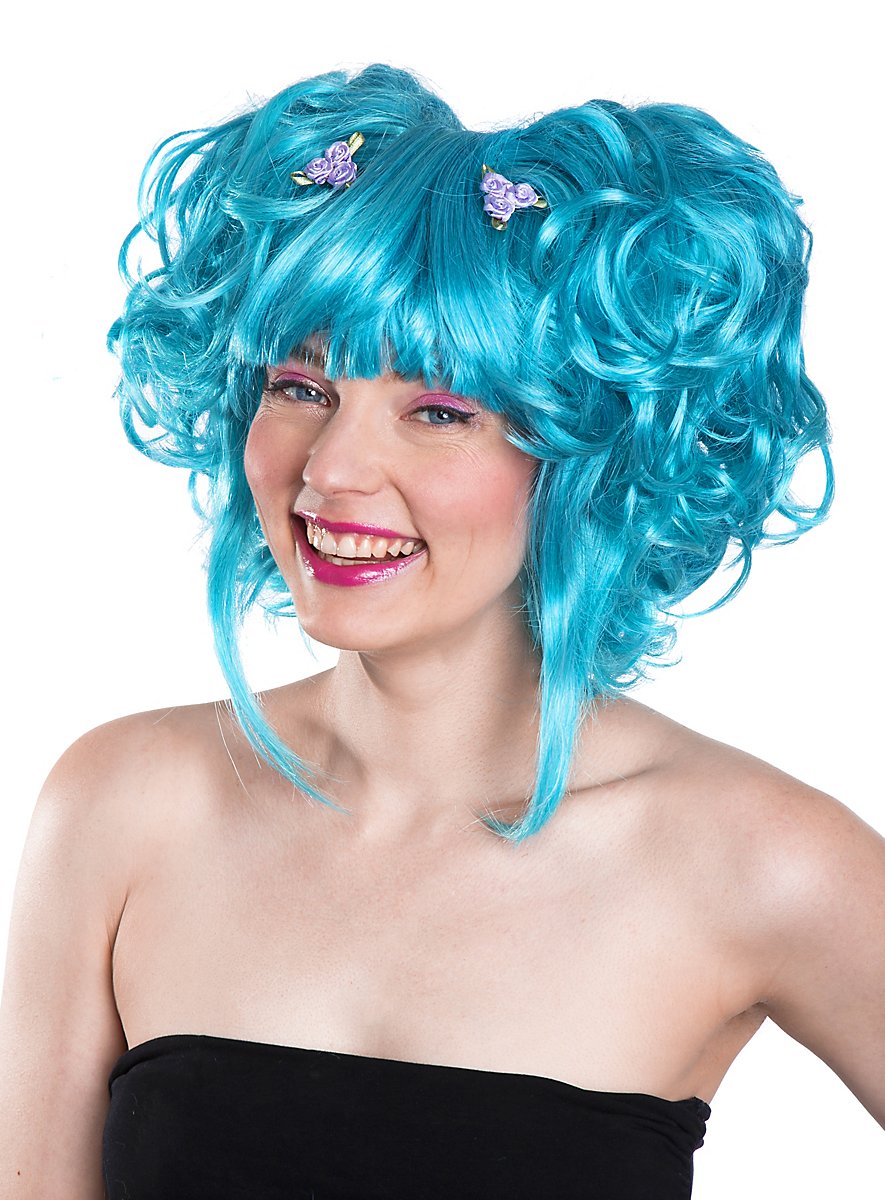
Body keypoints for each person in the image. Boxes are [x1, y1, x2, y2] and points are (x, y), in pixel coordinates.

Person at [1, 62, 882, 1199]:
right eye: (301, 388)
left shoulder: (759, 860)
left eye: (438, 410)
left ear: (585, 457)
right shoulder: (123, 804)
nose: (332, 471)